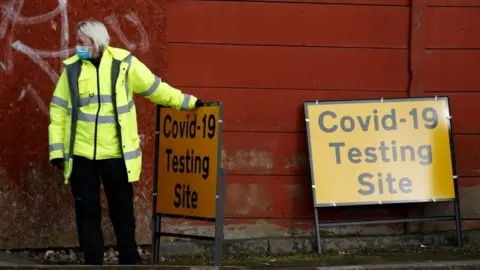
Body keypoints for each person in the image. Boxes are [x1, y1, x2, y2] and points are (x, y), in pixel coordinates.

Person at [47, 20, 203, 265]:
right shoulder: (72, 70)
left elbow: (155, 88)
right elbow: (58, 110)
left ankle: (129, 259)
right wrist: (56, 150)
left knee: (122, 211)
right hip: (81, 154)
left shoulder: (124, 64)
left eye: (81, 42)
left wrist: (188, 102)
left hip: (116, 154)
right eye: (76, 42)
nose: (76, 46)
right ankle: (93, 261)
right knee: (87, 211)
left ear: (96, 42)